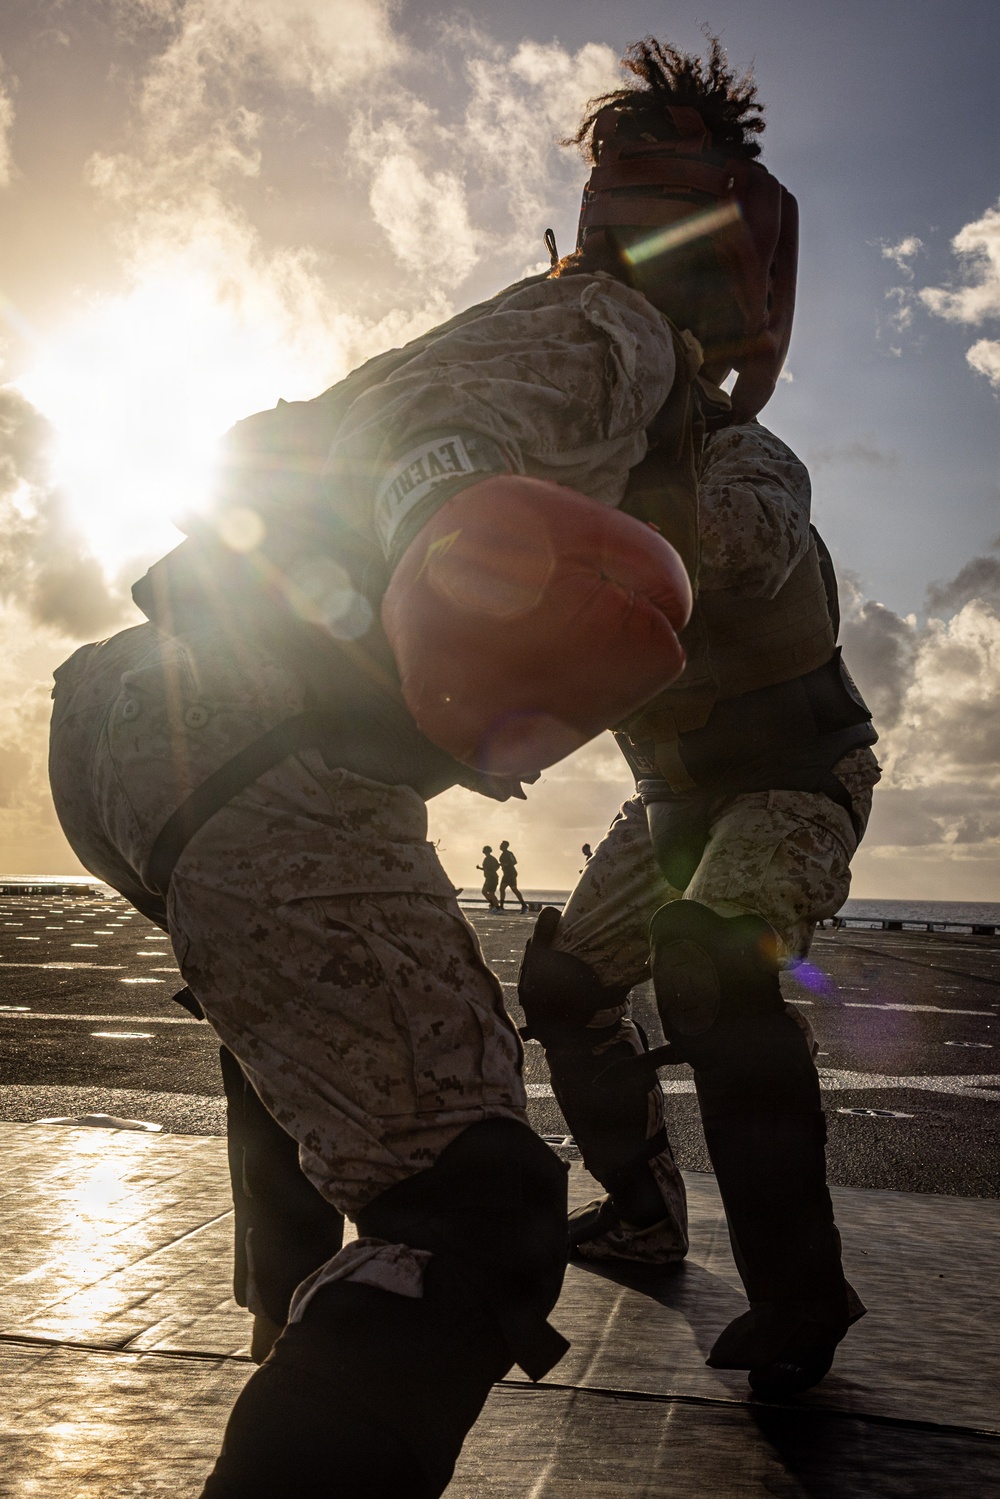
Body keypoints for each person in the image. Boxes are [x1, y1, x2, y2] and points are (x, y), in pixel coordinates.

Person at [46, 78, 694, 1495]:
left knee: (321, 1066)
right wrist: (447, 549)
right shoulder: (610, 330)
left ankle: (293, 1313)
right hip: (260, 750)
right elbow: (445, 450)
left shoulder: (495, 324)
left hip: (146, 729)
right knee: (481, 1214)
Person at [515, 37, 880, 1400]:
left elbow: (721, 545)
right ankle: (645, 1205)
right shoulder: (585, 467)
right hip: (670, 804)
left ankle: (800, 1286)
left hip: (795, 779)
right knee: (561, 981)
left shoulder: (745, 457)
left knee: (712, 959)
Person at [498, 840, 527, 912]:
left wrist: (506, 864)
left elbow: (514, 861)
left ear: (505, 846)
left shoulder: (509, 853)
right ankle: (501, 906)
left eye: (502, 845)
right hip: (506, 874)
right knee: (501, 889)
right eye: (501, 844)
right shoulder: (502, 854)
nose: (500, 846)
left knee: (514, 889)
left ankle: (524, 906)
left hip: (511, 874)